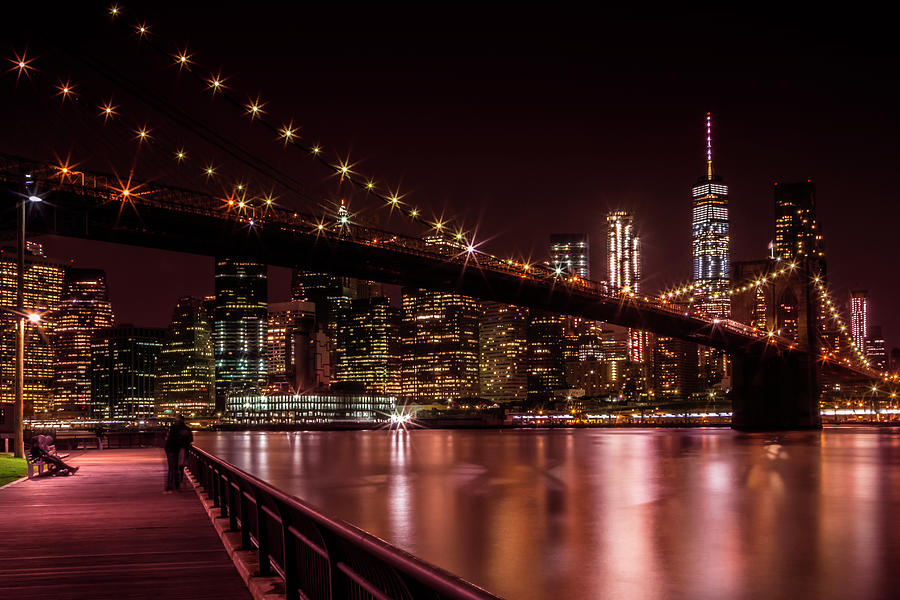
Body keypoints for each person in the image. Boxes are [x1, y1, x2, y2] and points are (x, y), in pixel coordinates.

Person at [164, 415, 193, 493]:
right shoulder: (186, 429)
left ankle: (170, 486)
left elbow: (169, 439)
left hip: (171, 449)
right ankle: (176, 485)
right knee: (179, 468)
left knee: (172, 468)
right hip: (179, 449)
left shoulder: (173, 428)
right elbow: (190, 439)